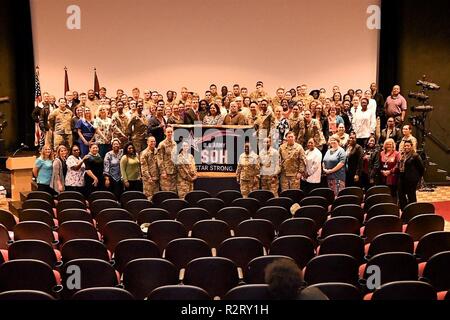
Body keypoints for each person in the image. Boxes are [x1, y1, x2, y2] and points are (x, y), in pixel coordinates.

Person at [398, 140, 424, 210]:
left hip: (411, 179)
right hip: (402, 177)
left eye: (408, 146)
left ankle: (413, 210)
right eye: (405, 146)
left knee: (411, 195)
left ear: (411, 146)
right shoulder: (402, 154)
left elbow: (421, 168)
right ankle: (404, 209)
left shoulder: (415, 156)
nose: (406, 147)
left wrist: (418, 177)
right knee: (401, 193)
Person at [157, 126, 177, 192]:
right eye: (168, 132)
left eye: (171, 132)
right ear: (165, 133)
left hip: (174, 172)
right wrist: (163, 171)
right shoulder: (162, 144)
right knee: (166, 191)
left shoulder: (175, 143)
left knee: (173, 191)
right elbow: (160, 159)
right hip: (166, 172)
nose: (170, 133)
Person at [140, 136, 160, 201]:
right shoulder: (144, 153)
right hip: (148, 180)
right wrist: (149, 178)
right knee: (149, 198)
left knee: (156, 198)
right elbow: (144, 168)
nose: (153, 143)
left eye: (154, 141)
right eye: (151, 141)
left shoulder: (157, 151)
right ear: (147, 142)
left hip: (157, 178)